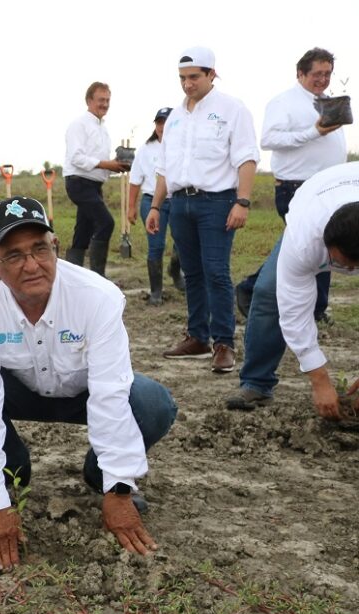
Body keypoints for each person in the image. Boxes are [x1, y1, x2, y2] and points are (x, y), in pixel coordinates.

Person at [0, 196, 177, 571]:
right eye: (13, 256)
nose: (31, 265)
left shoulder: (98, 298)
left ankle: (101, 476)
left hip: (84, 393)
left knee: (151, 401)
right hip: (21, 393)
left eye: (39, 249)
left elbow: (110, 393)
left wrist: (119, 487)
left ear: (56, 247)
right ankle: (10, 472)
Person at [147, 46, 259, 374]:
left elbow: (247, 158)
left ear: (212, 74)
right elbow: (165, 167)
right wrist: (156, 206)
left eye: (194, 77)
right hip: (179, 203)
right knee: (191, 273)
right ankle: (197, 336)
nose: (187, 84)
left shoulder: (232, 109)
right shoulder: (177, 116)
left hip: (217, 202)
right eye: (182, 78)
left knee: (216, 271)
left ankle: (223, 343)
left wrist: (242, 201)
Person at [226, 162, 359, 416]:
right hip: (317, 193)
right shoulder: (304, 236)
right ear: (325, 243)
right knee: (267, 292)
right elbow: (294, 309)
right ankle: (257, 383)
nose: (345, 271)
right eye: (339, 262)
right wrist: (319, 379)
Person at [236, 48, 346, 322]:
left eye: (328, 74)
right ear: (300, 73)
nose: (323, 79)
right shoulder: (283, 102)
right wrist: (314, 132)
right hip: (296, 188)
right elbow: (269, 139)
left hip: (327, 190)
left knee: (321, 245)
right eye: (317, 73)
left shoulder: (328, 102)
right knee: (308, 247)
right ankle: (250, 288)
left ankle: (317, 308)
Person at [62, 82, 130, 276]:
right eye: (101, 100)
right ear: (89, 100)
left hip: (94, 184)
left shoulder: (103, 129)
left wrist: (117, 167)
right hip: (78, 182)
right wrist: (106, 164)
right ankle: (98, 277)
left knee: (83, 232)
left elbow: (101, 164)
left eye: (108, 100)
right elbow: (76, 157)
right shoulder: (79, 124)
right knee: (106, 222)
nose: (105, 104)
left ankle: (72, 275)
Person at [126, 107, 178, 304]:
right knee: (156, 246)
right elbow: (135, 179)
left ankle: (175, 270)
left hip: (178, 200)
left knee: (182, 242)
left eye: (166, 122)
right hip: (151, 201)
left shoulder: (182, 146)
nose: (162, 127)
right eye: (159, 123)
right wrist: (131, 206)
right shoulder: (146, 150)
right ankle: (156, 291)